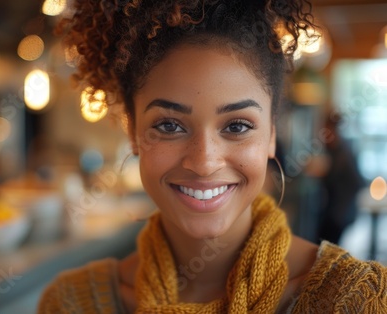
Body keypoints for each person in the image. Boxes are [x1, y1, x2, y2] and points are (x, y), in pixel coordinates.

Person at [38, 0, 387, 312]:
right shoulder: (70, 302)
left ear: (271, 134)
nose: (204, 162)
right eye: (171, 125)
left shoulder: (356, 300)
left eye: (236, 126)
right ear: (133, 134)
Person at [317, 113, 364, 245]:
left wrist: (326, 174)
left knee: (326, 250)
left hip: (338, 214)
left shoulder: (343, 153)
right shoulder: (336, 151)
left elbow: (357, 182)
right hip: (335, 213)